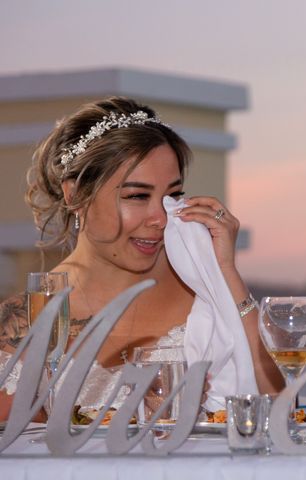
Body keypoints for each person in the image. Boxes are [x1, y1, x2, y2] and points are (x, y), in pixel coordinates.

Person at [0, 97, 282, 421]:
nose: (160, 219)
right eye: (136, 196)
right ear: (75, 193)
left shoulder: (203, 295)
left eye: (172, 196)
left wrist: (224, 272)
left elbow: (285, 412)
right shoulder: (23, 322)